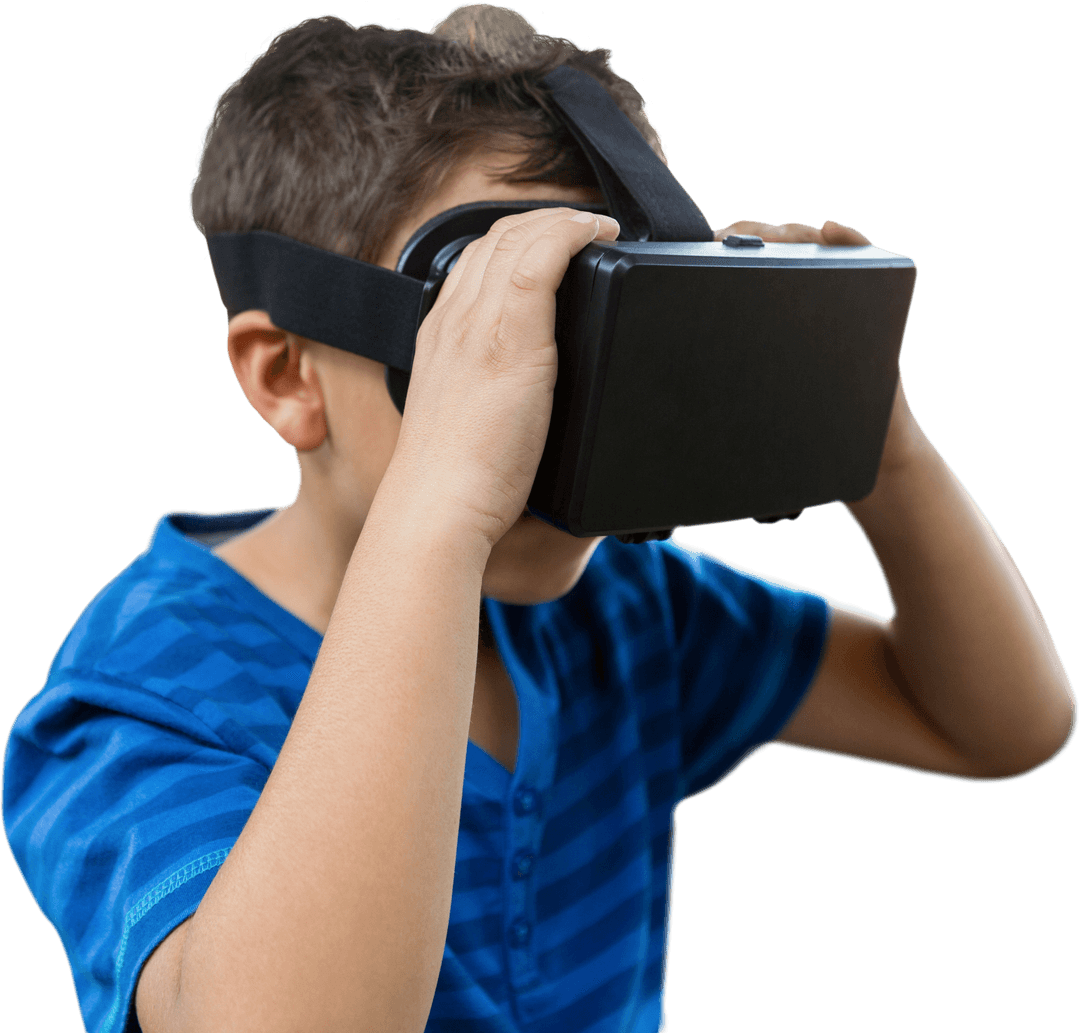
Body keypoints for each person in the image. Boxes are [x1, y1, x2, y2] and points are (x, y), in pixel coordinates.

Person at [2, 7, 1074, 1033]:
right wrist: (441, 514)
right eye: (498, 336)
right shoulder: (141, 696)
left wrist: (871, 432)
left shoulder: (629, 607)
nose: (553, 402)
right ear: (288, 375)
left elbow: (997, 723)